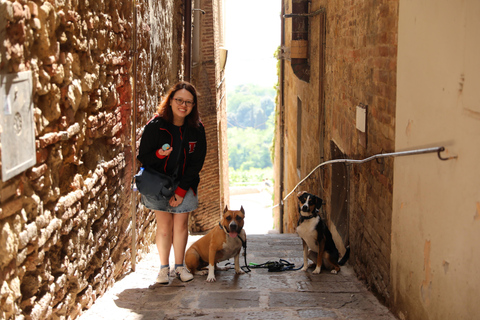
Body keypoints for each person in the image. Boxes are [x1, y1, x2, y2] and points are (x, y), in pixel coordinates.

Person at [137, 81, 207, 284]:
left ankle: (179, 267)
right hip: (159, 185)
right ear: (171, 101)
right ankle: (163, 269)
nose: (183, 105)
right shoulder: (156, 126)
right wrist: (159, 154)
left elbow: (197, 162)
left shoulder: (196, 129)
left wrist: (182, 190)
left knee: (181, 224)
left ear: (193, 106)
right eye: (179, 100)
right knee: (165, 227)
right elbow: (144, 156)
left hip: (185, 184)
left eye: (188, 102)